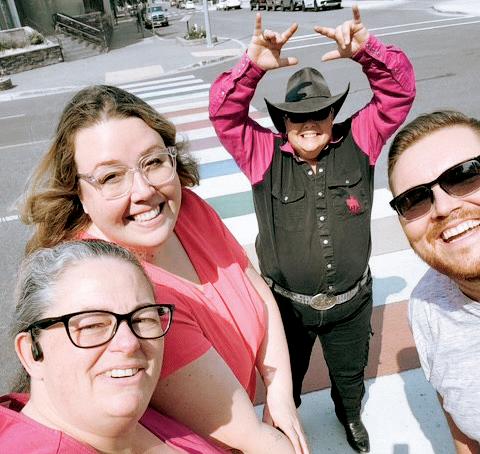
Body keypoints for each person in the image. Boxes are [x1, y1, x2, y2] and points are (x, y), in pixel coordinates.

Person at [21, 85, 308, 454]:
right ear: (79, 195)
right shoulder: (114, 293)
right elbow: (255, 439)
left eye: (153, 162)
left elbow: (258, 293)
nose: (143, 190)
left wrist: (280, 392)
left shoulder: (188, 211)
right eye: (111, 177)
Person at [209, 7, 415, 453]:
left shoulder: (360, 139)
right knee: (288, 384)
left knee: (350, 375)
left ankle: (349, 416)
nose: (308, 123)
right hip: (287, 309)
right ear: (283, 121)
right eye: (296, 116)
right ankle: (287, 432)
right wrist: (251, 68)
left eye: (319, 113)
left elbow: (399, 92)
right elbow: (224, 114)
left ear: (332, 114)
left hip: (351, 304)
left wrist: (367, 53)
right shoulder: (262, 153)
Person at [0, 239, 225, 453]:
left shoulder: (124, 418)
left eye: (143, 318)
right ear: (32, 353)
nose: (129, 343)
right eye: (92, 325)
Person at [388, 110, 480, 453]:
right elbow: (460, 416)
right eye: (414, 200)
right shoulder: (427, 306)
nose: (442, 207)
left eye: (465, 175)